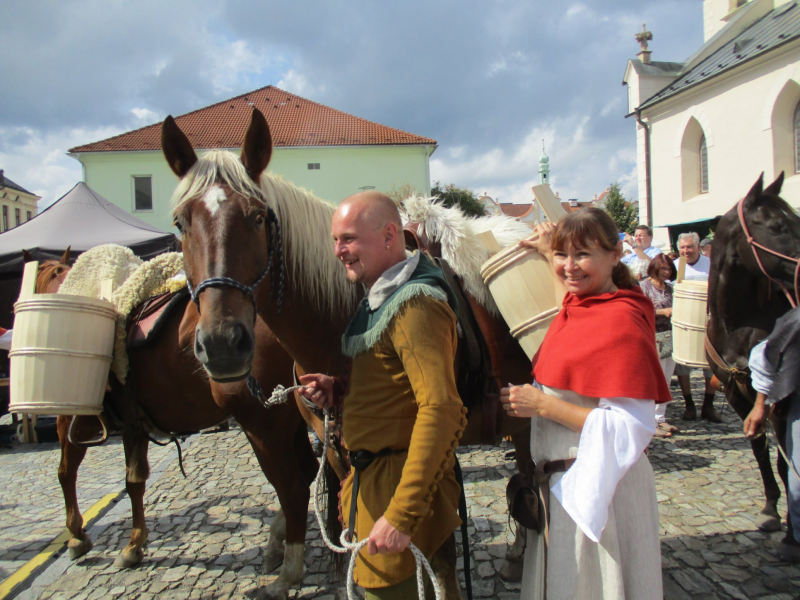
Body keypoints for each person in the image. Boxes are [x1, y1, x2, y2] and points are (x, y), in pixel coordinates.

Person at [298, 191, 466, 599]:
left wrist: (402, 515)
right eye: (336, 239)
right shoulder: (381, 297)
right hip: (373, 486)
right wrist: (338, 389)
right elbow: (395, 385)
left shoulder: (415, 305)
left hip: (396, 490)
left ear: (390, 235)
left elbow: (441, 409)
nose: (339, 251)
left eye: (349, 238)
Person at [501, 208, 670, 599]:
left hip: (601, 489)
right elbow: (573, 296)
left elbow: (630, 427)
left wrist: (541, 406)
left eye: (583, 254)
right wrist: (549, 252)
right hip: (562, 489)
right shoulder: (579, 306)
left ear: (615, 255)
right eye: (564, 255)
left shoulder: (621, 320)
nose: (570, 267)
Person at [744, 306, 800, 563]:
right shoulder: (796, 318)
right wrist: (760, 404)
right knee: (798, 474)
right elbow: (766, 356)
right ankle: (797, 537)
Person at [672, 232, 719, 421]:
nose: (686, 251)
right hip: (685, 324)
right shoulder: (677, 266)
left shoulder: (710, 264)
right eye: (682, 247)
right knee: (683, 366)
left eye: (689, 247)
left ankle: (709, 405)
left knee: (710, 365)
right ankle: (689, 405)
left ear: (698, 247)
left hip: (708, 322)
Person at [640, 254, 679, 437]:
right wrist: (663, 311)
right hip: (653, 337)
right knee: (654, 380)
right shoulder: (644, 287)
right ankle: (650, 420)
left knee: (666, 379)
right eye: (663, 268)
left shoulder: (670, 289)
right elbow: (640, 310)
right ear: (655, 267)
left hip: (670, 337)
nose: (666, 272)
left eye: (669, 269)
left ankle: (660, 418)